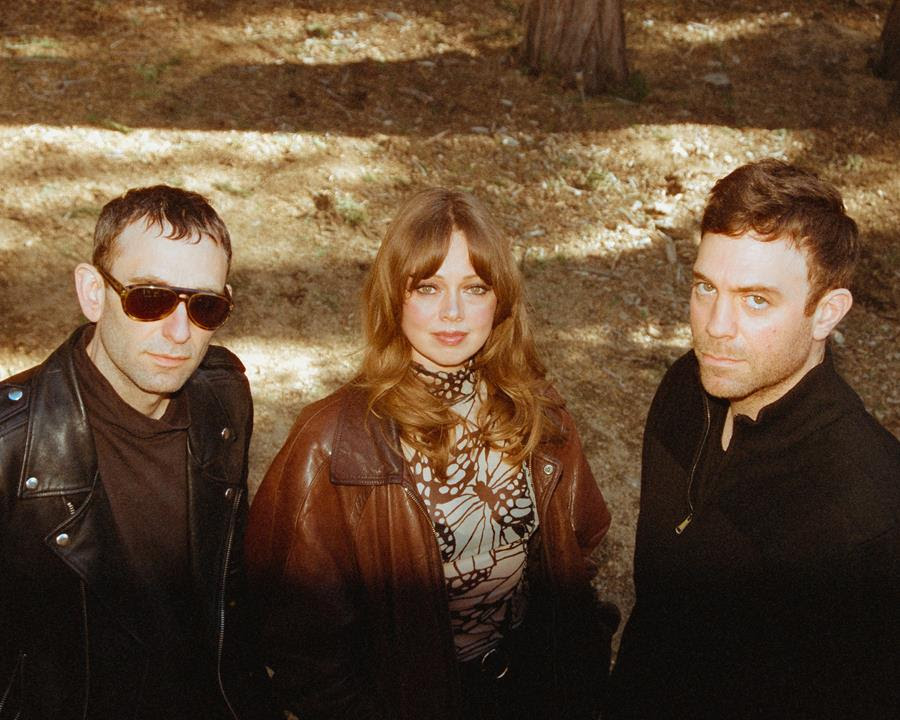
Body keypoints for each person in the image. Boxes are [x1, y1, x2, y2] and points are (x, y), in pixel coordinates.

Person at [246, 187, 617, 720]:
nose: (452, 312)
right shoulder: (330, 440)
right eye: (428, 287)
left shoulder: (538, 413)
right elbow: (299, 641)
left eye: (474, 288)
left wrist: (579, 674)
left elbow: (577, 557)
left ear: (501, 299)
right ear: (394, 296)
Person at [608, 159, 900, 719]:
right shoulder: (685, 389)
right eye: (705, 288)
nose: (715, 326)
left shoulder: (866, 511)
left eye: (756, 299)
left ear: (827, 313)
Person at [0, 186, 274, 719]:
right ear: (93, 292)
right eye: (150, 299)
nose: (179, 333)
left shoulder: (223, 400)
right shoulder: (12, 444)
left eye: (205, 306)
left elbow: (228, 591)